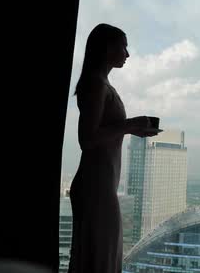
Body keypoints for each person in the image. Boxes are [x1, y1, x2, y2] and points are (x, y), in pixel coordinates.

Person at [68, 23, 158, 273]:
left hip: (100, 184)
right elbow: (87, 139)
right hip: (95, 185)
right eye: (123, 46)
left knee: (99, 255)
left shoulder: (103, 84)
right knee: (100, 257)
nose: (127, 54)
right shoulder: (96, 85)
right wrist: (128, 125)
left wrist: (131, 128)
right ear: (107, 48)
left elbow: (103, 132)